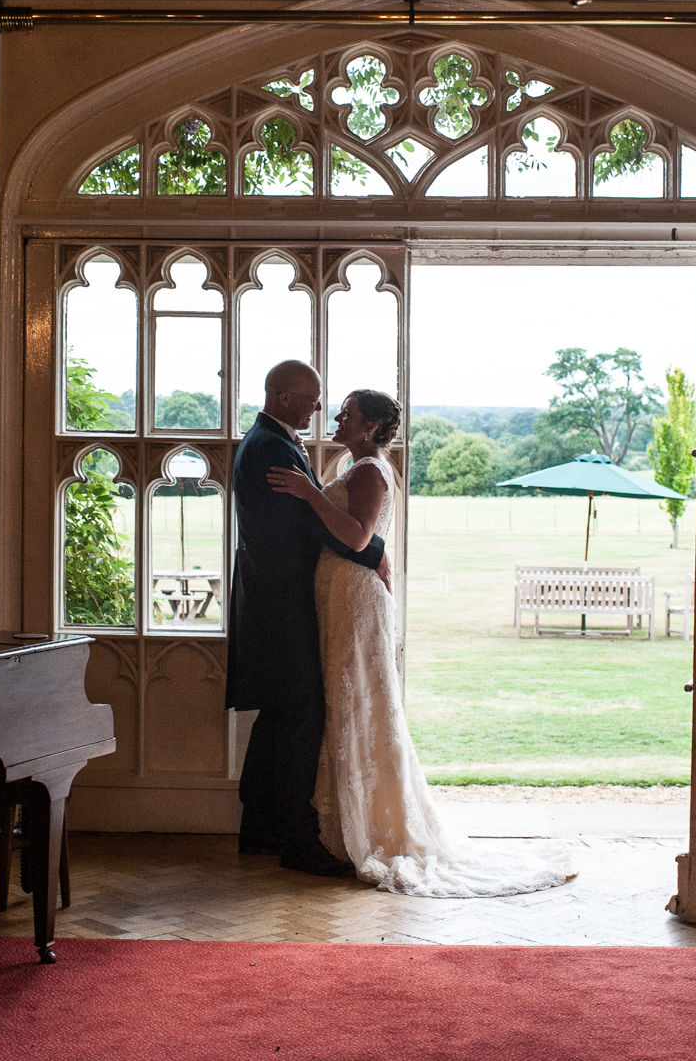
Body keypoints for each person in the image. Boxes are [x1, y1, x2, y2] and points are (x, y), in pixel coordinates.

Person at [269, 389, 575, 897]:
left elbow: (359, 536)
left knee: (357, 699)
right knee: (347, 698)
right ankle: (346, 821)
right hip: (340, 590)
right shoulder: (360, 463)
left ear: (369, 427)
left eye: (348, 413)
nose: (337, 417)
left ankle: (367, 828)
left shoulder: (368, 470)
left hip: (353, 595)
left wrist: (309, 494)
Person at [228, 360, 387, 876]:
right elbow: (302, 527)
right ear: (283, 396)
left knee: (280, 714)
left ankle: (260, 828)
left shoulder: (272, 440)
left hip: (281, 599)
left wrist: (366, 547)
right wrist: (374, 552)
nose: (320, 410)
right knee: (299, 716)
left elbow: (319, 518)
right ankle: (296, 839)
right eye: (313, 400)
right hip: (281, 604)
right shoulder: (271, 447)